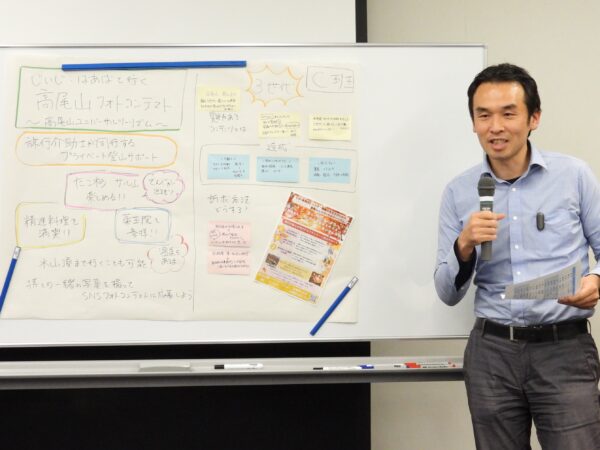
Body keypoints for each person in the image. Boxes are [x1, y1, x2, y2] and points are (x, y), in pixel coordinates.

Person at [434, 63, 600, 449]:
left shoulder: (573, 176)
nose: (495, 127)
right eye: (484, 115)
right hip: (492, 353)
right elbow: (446, 292)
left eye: (508, 114)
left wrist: (596, 280)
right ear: (473, 123)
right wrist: (463, 245)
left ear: (533, 118)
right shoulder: (459, 191)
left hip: (564, 350)